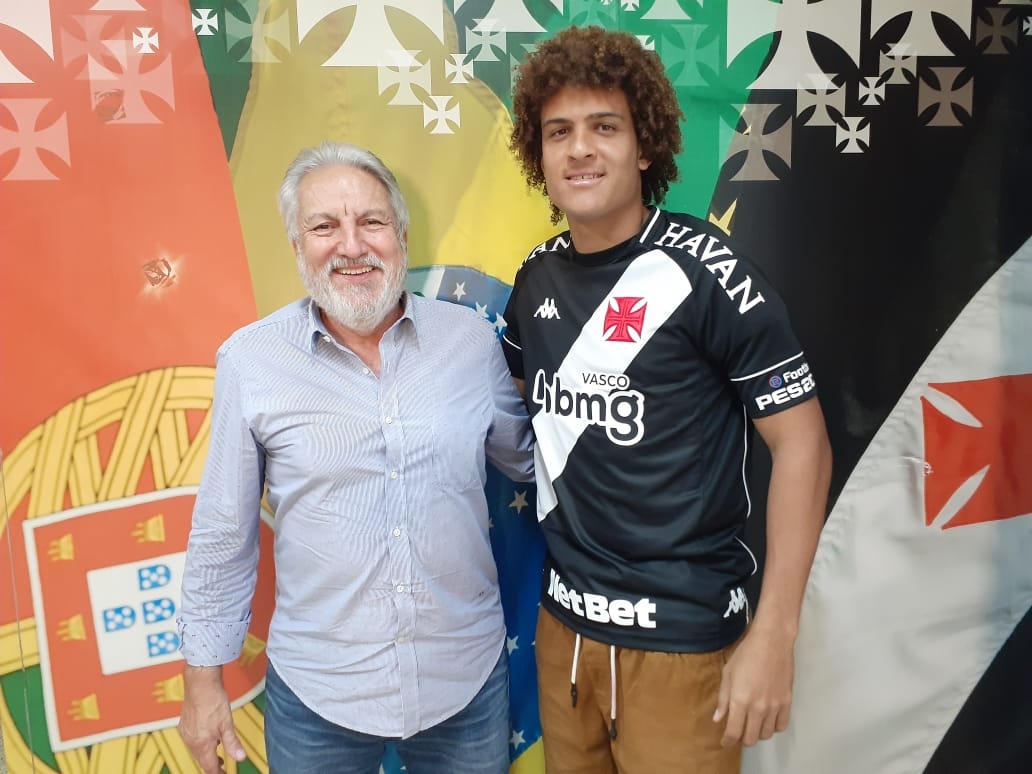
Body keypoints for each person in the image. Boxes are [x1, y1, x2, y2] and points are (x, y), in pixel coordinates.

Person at [501, 25, 833, 774]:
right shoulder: (535, 278)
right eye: (559, 132)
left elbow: (802, 443)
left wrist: (775, 635)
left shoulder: (707, 270)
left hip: (683, 646)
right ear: (538, 154)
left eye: (604, 127)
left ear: (643, 146)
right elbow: (514, 411)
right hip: (564, 637)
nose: (580, 149)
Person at [176, 141, 534, 774]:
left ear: (401, 234)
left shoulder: (473, 344)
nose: (351, 245)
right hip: (318, 694)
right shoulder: (251, 361)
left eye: (371, 221)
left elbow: (533, 465)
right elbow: (224, 531)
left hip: (464, 683)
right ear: (297, 246)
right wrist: (202, 682)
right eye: (324, 227)